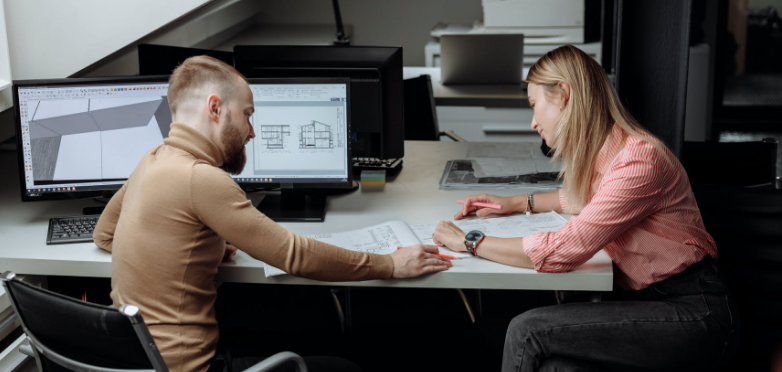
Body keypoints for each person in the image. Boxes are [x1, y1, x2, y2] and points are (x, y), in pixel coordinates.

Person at [93, 55, 451, 372]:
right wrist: (390, 264)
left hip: (138, 361)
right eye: (247, 115)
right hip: (192, 366)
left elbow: (104, 235)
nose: (251, 132)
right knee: (346, 365)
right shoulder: (200, 179)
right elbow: (295, 255)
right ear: (215, 108)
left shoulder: (152, 160)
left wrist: (194, 249)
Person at [432, 45, 739, 371]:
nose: (533, 122)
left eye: (535, 106)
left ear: (563, 93)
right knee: (556, 367)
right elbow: (580, 199)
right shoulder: (611, 151)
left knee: (527, 332)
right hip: (646, 303)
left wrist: (470, 241)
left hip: (694, 312)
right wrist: (514, 203)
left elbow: (564, 250)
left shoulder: (639, 160)